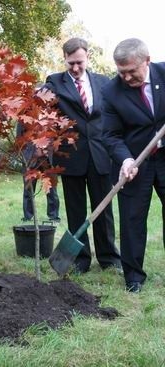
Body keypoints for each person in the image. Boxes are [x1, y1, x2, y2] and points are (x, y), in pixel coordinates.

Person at [44, 37, 121, 273]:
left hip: (100, 154)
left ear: (87, 57)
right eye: (70, 64)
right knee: (76, 211)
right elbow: (40, 105)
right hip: (71, 156)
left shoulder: (103, 83)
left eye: (79, 62)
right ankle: (81, 260)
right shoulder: (54, 83)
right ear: (65, 61)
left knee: (104, 210)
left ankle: (109, 258)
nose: (75, 68)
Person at [102, 38, 165, 293]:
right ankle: (134, 277)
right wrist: (126, 159)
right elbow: (110, 135)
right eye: (121, 72)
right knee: (132, 219)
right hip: (136, 160)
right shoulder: (111, 91)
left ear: (146, 60)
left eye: (132, 71)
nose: (127, 77)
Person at [16, 122, 60, 222]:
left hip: (48, 157)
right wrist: (24, 154)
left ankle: (54, 216)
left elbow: (57, 134)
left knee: (51, 189)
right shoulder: (25, 113)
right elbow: (19, 137)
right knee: (28, 188)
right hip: (30, 157)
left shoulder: (51, 111)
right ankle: (28, 216)